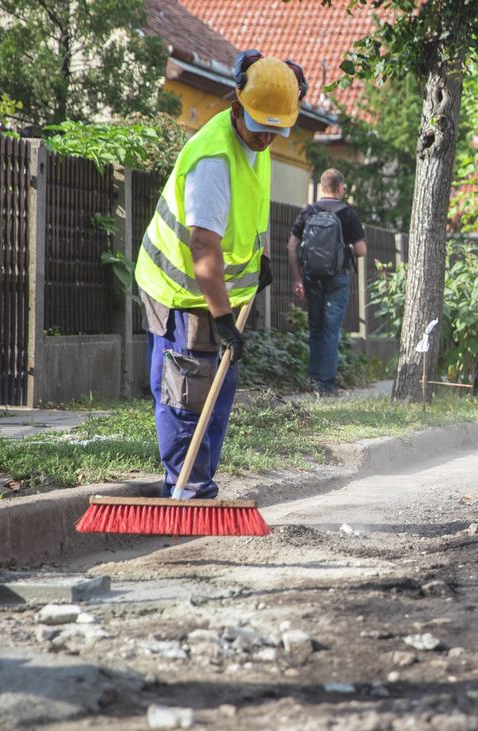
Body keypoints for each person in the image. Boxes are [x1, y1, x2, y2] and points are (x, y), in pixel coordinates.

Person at [134, 50, 306, 497]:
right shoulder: (213, 159)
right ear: (236, 106)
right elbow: (204, 247)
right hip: (178, 288)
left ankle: (199, 481)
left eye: (277, 130)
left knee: (219, 385)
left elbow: (251, 211)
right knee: (187, 388)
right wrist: (224, 319)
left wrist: (260, 258)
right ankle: (187, 489)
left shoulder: (257, 138)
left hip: (215, 289)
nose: (269, 139)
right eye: (262, 127)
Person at [287, 168, 367, 395]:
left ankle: (312, 379)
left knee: (315, 328)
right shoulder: (347, 213)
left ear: (322, 188)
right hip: (337, 277)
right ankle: (326, 385)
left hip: (311, 277)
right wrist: (345, 247)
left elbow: (291, 247)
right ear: (340, 187)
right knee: (331, 331)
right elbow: (361, 250)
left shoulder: (308, 211)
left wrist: (297, 278)